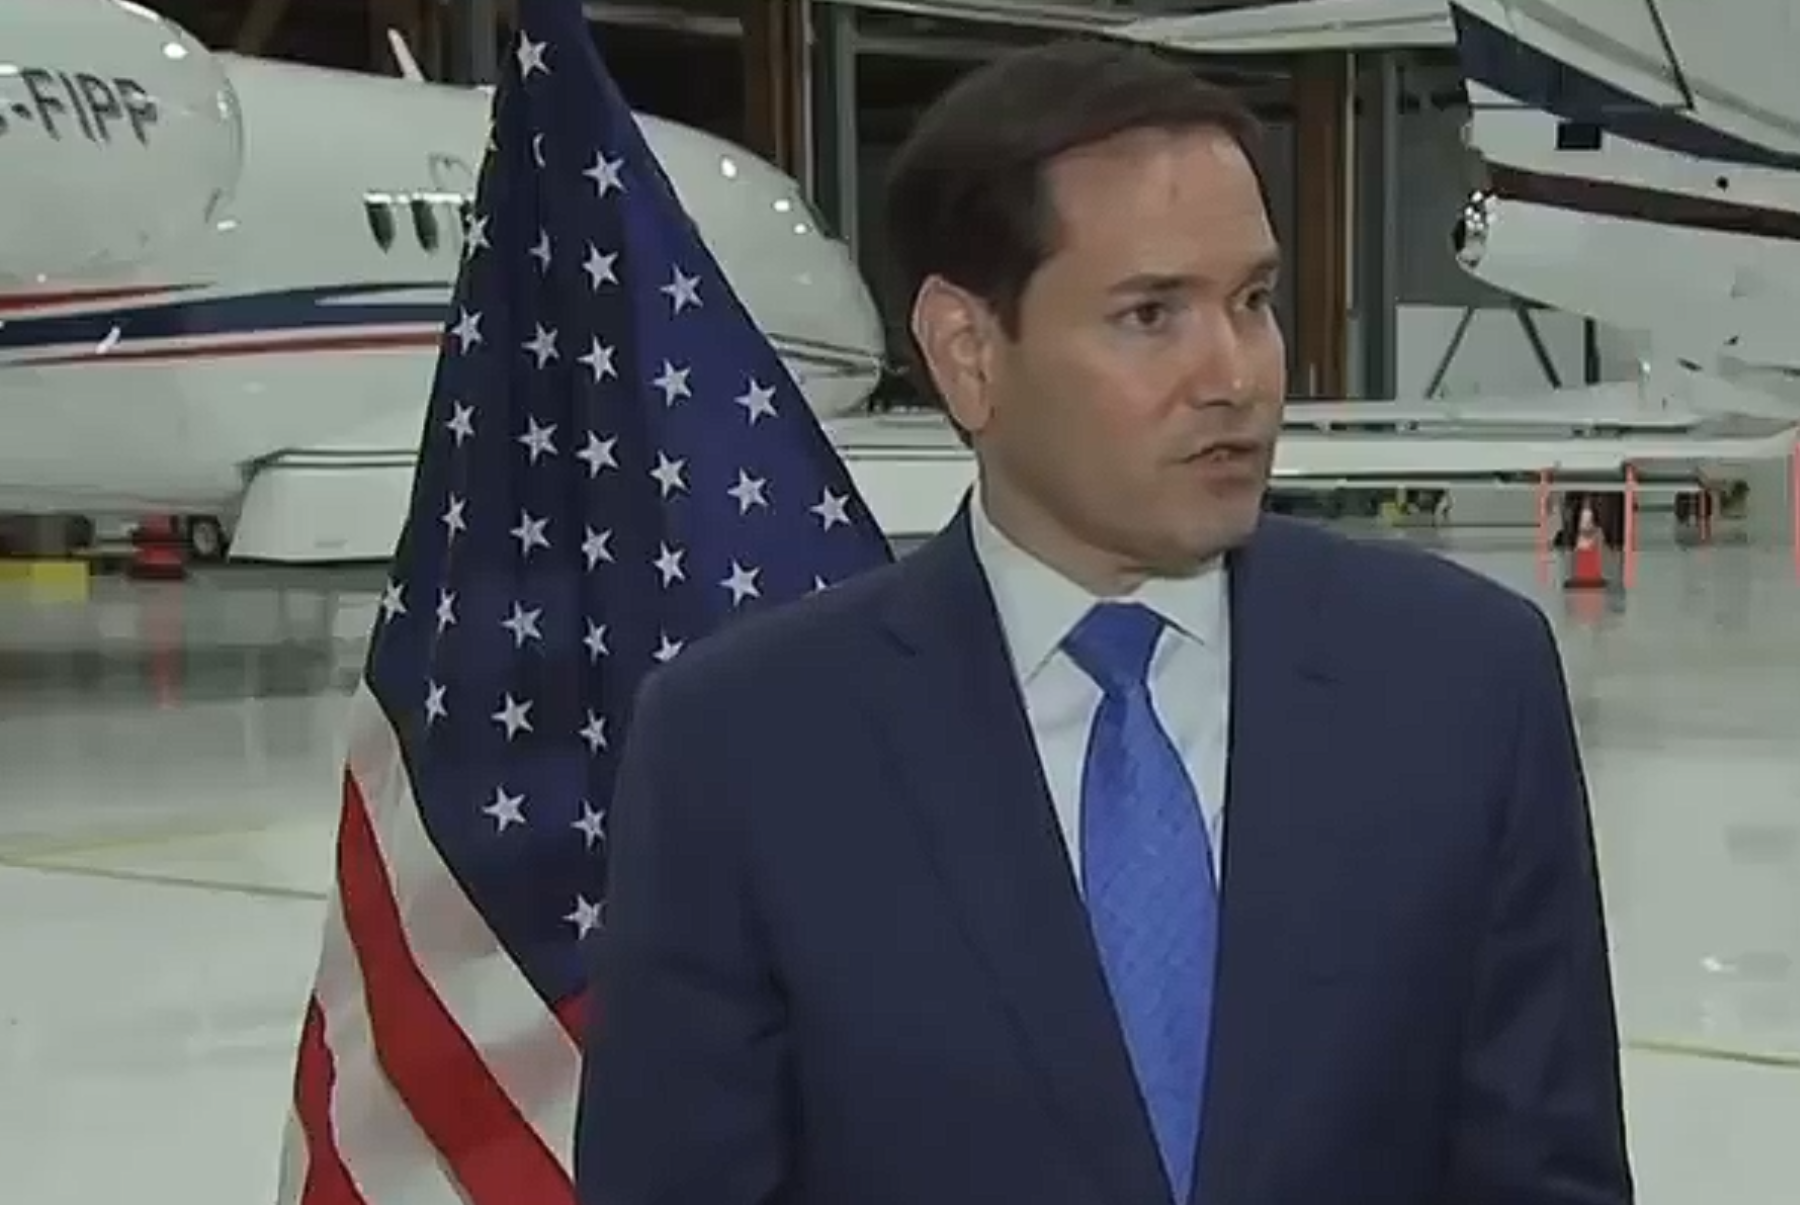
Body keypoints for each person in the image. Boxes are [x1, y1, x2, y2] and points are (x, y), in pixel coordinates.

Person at [573, 38, 1634, 1205]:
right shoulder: (745, 746)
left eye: (1251, 300)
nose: (1234, 374)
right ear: (968, 353)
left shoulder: (1462, 686)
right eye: (1149, 314)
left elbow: (1546, 1174)